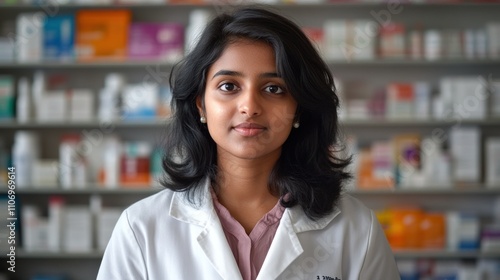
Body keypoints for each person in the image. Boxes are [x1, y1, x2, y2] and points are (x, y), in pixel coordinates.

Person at [97, 7, 400, 280]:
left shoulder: (357, 229)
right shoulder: (141, 228)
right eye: (229, 86)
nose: (249, 106)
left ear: (299, 107)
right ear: (201, 104)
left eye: (274, 88)